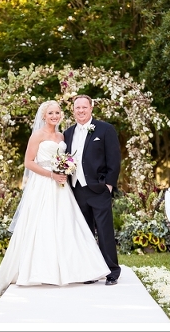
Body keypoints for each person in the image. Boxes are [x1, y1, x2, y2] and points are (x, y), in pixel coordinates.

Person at [0, 100, 110, 295]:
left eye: (57, 112)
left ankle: (73, 269)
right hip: (43, 184)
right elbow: (28, 162)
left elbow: (70, 158)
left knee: (66, 225)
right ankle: (40, 271)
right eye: (51, 113)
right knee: (42, 224)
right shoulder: (37, 135)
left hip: (62, 186)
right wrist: (51, 174)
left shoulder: (62, 135)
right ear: (43, 116)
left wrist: (65, 169)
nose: (55, 116)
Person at [63, 94, 122, 285]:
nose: (80, 111)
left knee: (104, 232)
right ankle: (90, 271)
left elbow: (114, 159)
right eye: (77, 108)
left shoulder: (105, 129)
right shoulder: (68, 133)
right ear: (73, 110)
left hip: (98, 188)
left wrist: (108, 185)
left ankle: (112, 271)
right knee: (84, 232)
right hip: (77, 189)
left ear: (91, 108)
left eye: (84, 107)